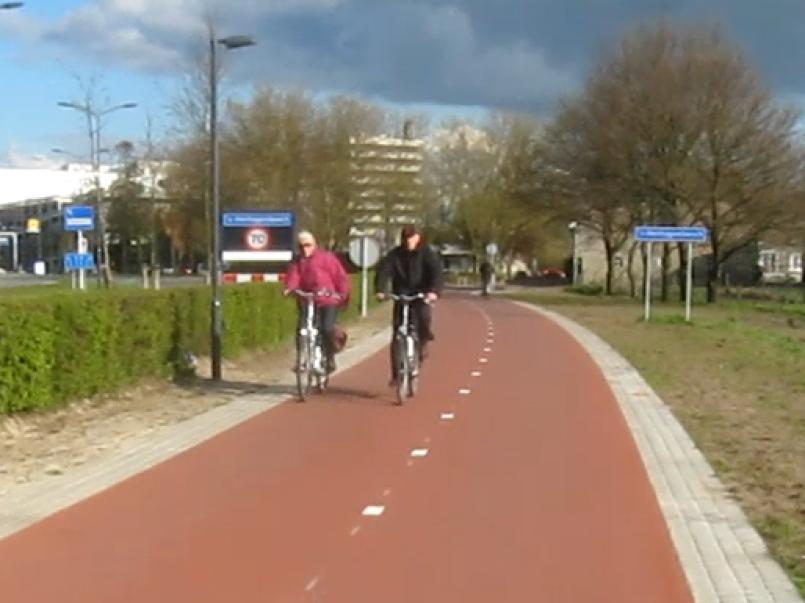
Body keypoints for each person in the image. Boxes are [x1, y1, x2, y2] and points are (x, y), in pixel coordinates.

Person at [375, 225, 443, 382]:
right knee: (398, 333)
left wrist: (433, 291)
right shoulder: (395, 255)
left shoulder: (427, 254)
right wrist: (380, 289)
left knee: (424, 318)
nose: (409, 241)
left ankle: (423, 343)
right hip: (401, 294)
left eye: (412, 237)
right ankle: (395, 374)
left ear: (418, 237)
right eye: (406, 237)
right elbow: (384, 270)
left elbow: (436, 273)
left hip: (421, 294)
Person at [284, 231, 351, 373]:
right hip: (307, 299)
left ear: (314, 245)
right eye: (301, 246)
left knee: (326, 328)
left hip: (327, 299)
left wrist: (342, 294)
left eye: (307, 245)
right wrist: (290, 288)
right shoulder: (297, 261)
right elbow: (293, 276)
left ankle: (329, 356)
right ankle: (302, 358)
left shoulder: (327, 258)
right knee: (301, 329)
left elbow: (340, 276)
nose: (304, 249)